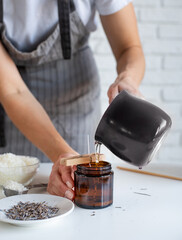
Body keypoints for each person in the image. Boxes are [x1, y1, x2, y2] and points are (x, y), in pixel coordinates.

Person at [0, 0, 145, 200]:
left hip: (77, 99)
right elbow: (13, 92)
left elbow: (129, 47)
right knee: (17, 198)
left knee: (78, 193)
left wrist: (128, 77)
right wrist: (62, 153)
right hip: (16, 107)